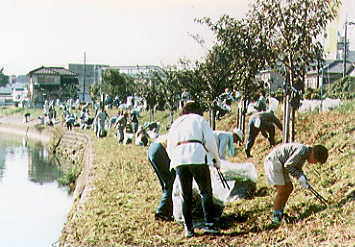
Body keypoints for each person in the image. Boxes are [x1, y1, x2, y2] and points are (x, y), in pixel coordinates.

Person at [167, 101, 221, 238]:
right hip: (197, 155)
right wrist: (216, 160)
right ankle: (210, 224)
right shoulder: (200, 120)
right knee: (205, 192)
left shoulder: (176, 123)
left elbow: (170, 145)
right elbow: (210, 142)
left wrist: (175, 160)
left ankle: (189, 229)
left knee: (186, 195)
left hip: (179, 158)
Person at [264, 143, 328, 225]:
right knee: (282, 190)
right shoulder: (302, 151)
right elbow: (289, 165)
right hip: (273, 162)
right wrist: (299, 176)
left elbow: (296, 167)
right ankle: (275, 218)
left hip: (280, 164)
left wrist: (302, 177)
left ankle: (280, 213)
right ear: (313, 155)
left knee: (289, 188)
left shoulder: (305, 153)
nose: (314, 163)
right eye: (316, 161)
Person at [147, 135, 176, 221]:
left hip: (152, 149)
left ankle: (168, 211)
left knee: (165, 184)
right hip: (159, 149)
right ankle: (161, 212)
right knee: (170, 183)